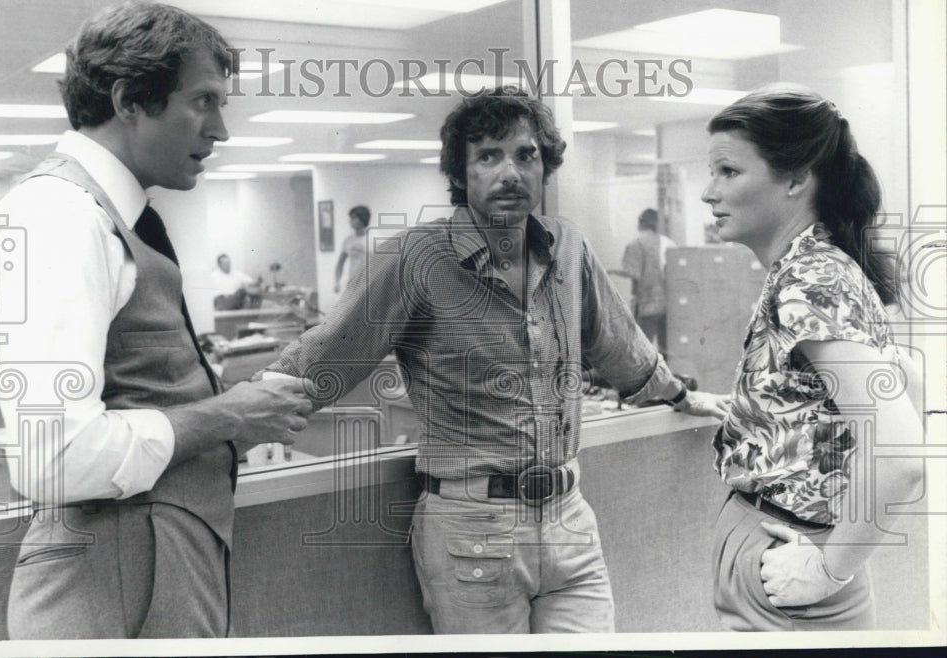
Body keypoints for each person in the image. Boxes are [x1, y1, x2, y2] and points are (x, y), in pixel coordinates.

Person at [259, 86, 722, 633]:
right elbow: (325, 357)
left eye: (526, 155)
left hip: (569, 519)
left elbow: (620, 345)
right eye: (488, 156)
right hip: (472, 528)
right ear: (461, 171)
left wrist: (681, 396)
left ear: (544, 166)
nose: (511, 172)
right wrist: (236, 423)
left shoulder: (567, 247)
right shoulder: (416, 259)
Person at [0, 1, 315, 639]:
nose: (220, 130)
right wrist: (226, 416)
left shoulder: (111, 213)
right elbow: (52, 457)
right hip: (115, 570)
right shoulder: (64, 215)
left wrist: (229, 424)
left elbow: (133, 387)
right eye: (204, 101)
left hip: (153, 554)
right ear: (130, 98)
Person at [692, 83, 923, 630]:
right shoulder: (819, 266)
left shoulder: (811, 279)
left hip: (793, 558)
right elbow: (906, 382)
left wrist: (829, 570)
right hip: (784, 542)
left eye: (728, 172)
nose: (708, 192)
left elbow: (903, 458)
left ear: (796, 180)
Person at [620, 208, 676, 351]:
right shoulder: (669, 243)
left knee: (643, 347)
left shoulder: (635, 244)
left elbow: (634, 273)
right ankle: (667, 373)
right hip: (668, 304)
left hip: (646, 304)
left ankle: (649, 374)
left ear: (640, 223)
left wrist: (611, 272)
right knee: (666, 347)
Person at [333, 204, 370, 294]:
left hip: (370, 285)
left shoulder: (374, 239)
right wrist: (337, 281)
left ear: (362, 219)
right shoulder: (348, 240)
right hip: (353, 285)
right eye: (350, 218)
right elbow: (340, 263)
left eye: (353, 218)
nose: (350, 221)